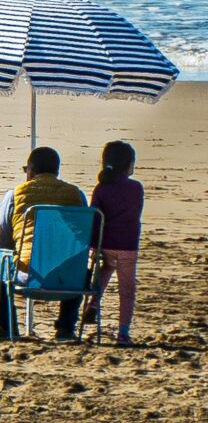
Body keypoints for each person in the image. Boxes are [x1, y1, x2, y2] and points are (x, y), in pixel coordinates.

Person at [0, 146, 87, 340]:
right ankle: (66, 328)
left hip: (29, 276)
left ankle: (6, 326)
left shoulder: (15, 196)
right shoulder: (77, 195)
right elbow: (83, 238)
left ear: (30, 172)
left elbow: (2, 241)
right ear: (57, 172)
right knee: (80, 263)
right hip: (70, 280)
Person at [91, 140, 145, 347]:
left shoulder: (101, 188)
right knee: (127, 291)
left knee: (103, 275)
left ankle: (94, 303)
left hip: (106, 244)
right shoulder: (135, 188)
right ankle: (123, 332)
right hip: (128, 245)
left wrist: (94, 246)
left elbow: (95, 217)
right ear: (128, 164)